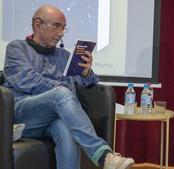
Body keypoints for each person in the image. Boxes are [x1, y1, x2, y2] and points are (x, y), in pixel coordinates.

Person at [3, 5, 134, 169]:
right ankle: (103, 156)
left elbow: (88, 84)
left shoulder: (64, 56)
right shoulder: (17, 48)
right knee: (61, 94)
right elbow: (27, 81)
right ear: (37, 24)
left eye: (63, 28)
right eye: (56, 26)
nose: (61, 33)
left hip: (54, 117)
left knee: (65, 127)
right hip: (23, 115)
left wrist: (86, 73)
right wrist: (62, 90)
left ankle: (103, 156)